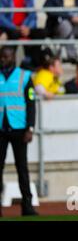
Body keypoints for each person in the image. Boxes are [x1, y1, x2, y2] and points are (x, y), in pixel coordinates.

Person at [0, 46, 38, 217]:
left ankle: (27, 206)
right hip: (1, 128)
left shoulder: (24, 76)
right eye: (1, 57)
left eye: (6, 57)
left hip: (19, 129)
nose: (3, 59)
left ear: (13, 57)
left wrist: (30, 127)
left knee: (22, 168)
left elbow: (31, 104)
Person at [0, 0, 47, 70]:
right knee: (12, 34)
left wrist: (26, 27)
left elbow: (32, 14)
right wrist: (15, 27)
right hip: (11, 28)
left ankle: (33, 63)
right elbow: (1, 17)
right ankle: (9, 65)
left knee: (41, 32)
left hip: (25, 28)